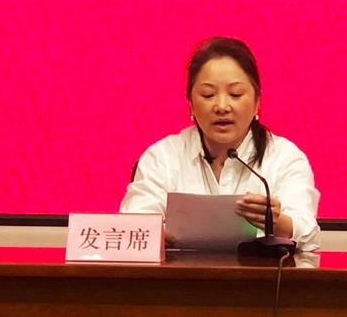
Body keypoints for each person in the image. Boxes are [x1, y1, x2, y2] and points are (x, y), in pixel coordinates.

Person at [120, 37, 320, 251]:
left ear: (257, 102)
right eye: (208, 95)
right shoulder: (162, 157)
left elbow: (307, 234)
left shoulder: (285, 158)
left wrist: (276, 223)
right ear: (190, 103)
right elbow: (133, 227)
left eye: (235, 94)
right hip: (178, 271)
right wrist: (156, 235)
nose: (222, 106)